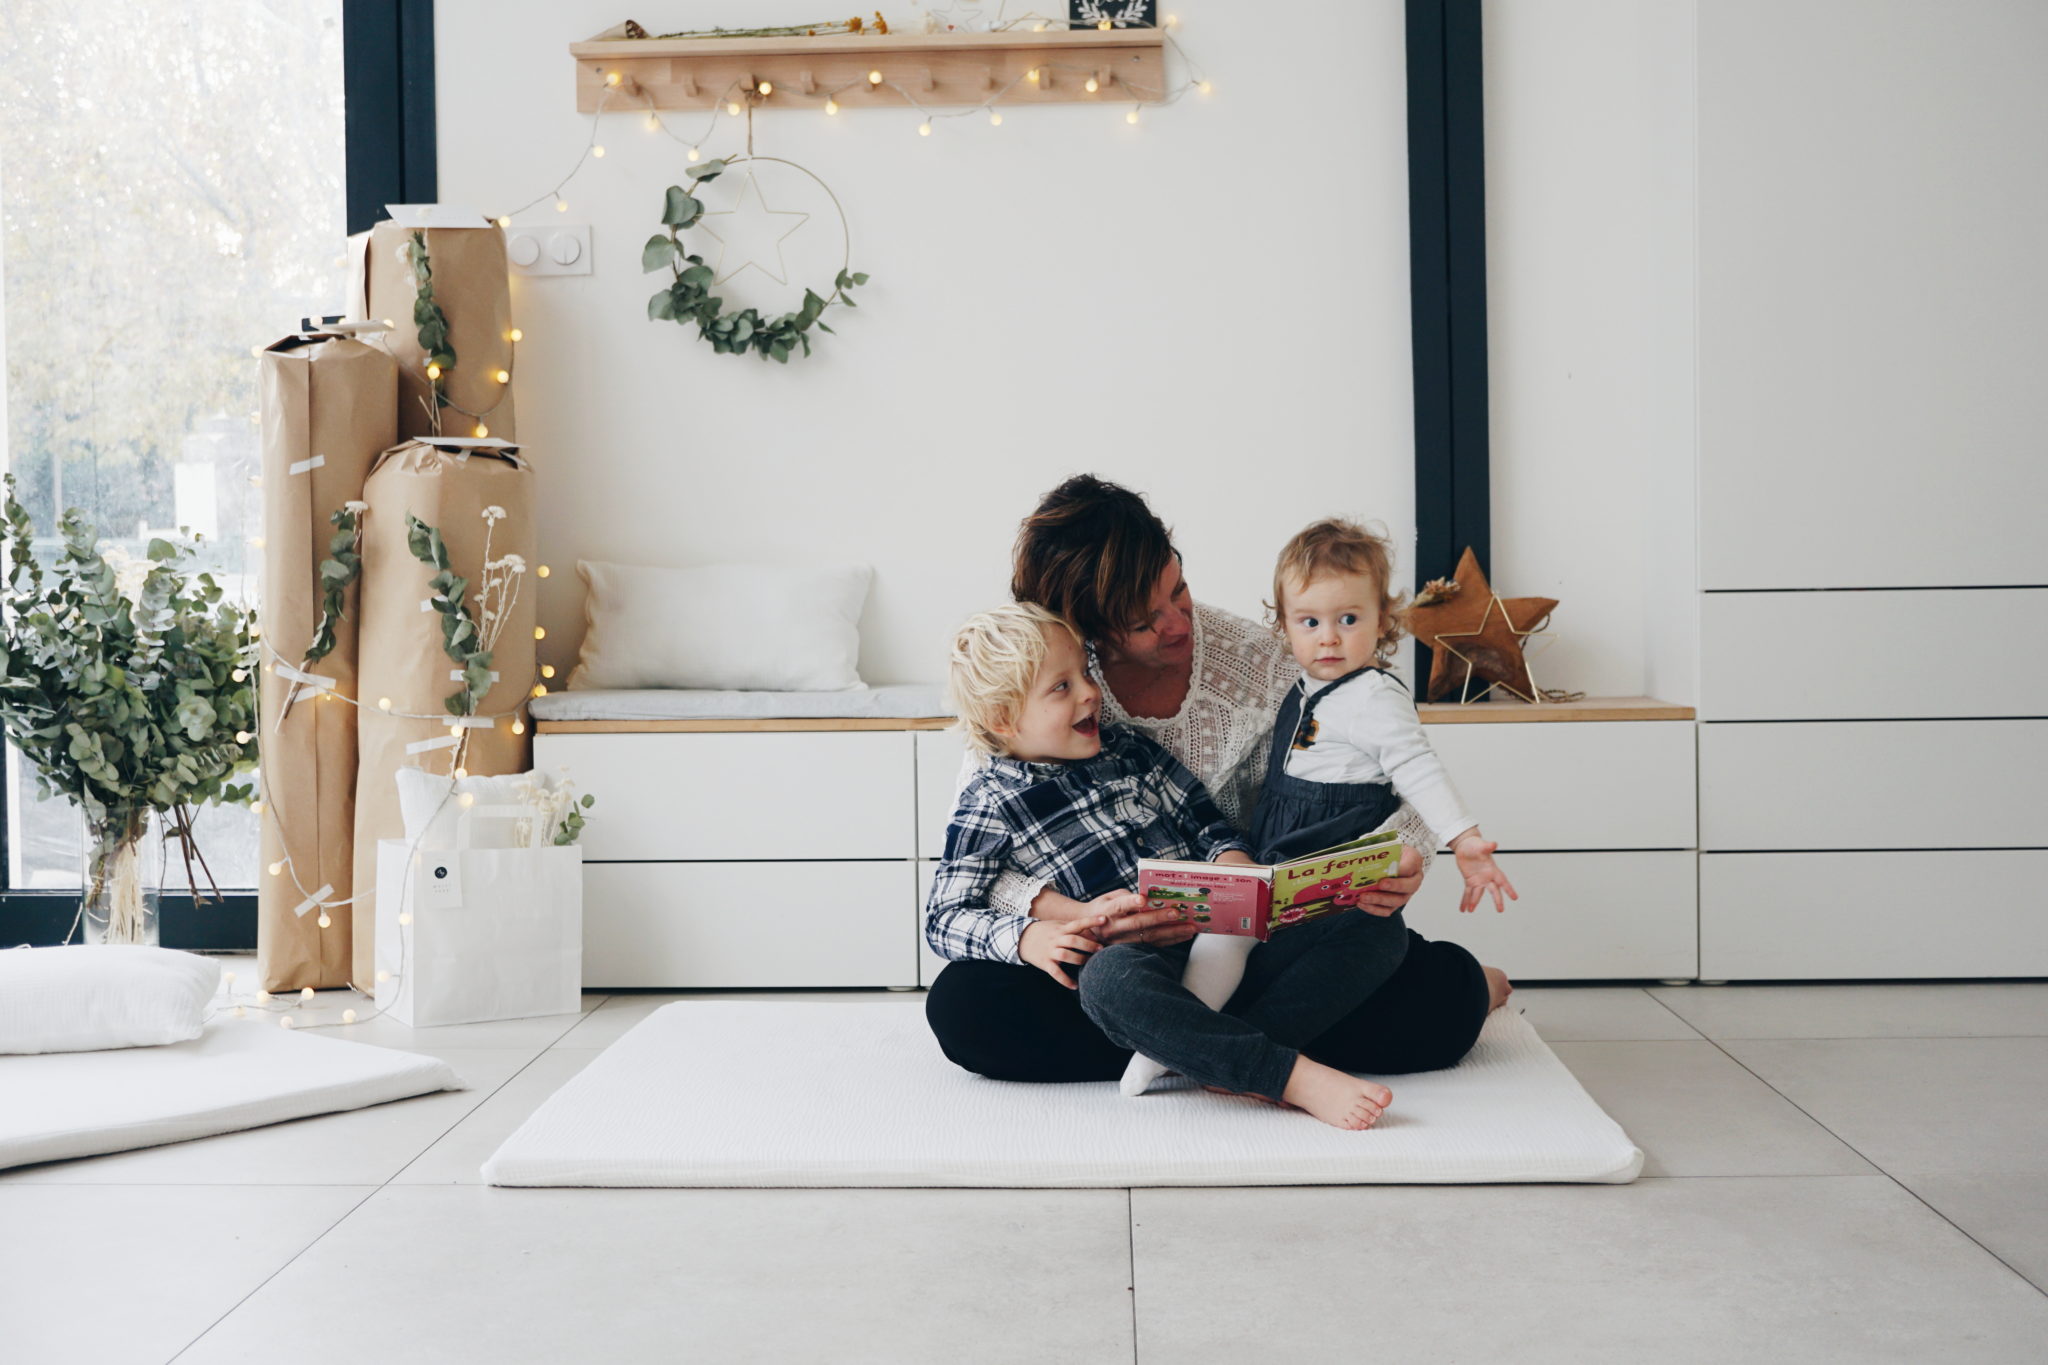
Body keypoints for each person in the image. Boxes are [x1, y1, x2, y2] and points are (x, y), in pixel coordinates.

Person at [924, 475, 1509, 1088]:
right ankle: (1238, 1049)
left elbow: (1401, 771)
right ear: (1085, 628)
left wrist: (1399, 858)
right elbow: (974, 876)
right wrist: (1071, 918)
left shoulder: (1279, 661)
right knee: (967, 1006)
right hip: (1119, 959)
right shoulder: (1036, 678)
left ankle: (1184, 1046)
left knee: (1428, 992)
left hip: (1254, 945)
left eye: (1179, 589)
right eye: (1144, 620)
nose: (1178, 623)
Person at [928, 603, 1401, 1129]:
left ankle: (1215, 1053)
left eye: (1084, 672)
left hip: (1223, 941)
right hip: (1136, 966)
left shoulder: (1130, 752)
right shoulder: (990, 800)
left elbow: (1205, 822)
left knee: (1375, 923)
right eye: (1061, 688)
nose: (1090, 692)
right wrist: (1029, 937)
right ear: (1003, 719)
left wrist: (1236, 867)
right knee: (1106, 981)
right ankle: (1283, 1074)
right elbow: (945, 914)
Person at [1118, 517, 1517, 1097]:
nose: (1328, 638)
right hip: (1275, 859)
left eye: (1348, 620)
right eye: (1310, 622)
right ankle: (1161, 1053)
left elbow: (1418, 768)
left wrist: (1465, 840)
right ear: (1284, 627)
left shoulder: (1375, 697)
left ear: (1383, 620)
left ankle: (1255, 1050)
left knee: (1373, 946)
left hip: (1339, 874)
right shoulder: (1301, 687)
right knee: (1221, 934)